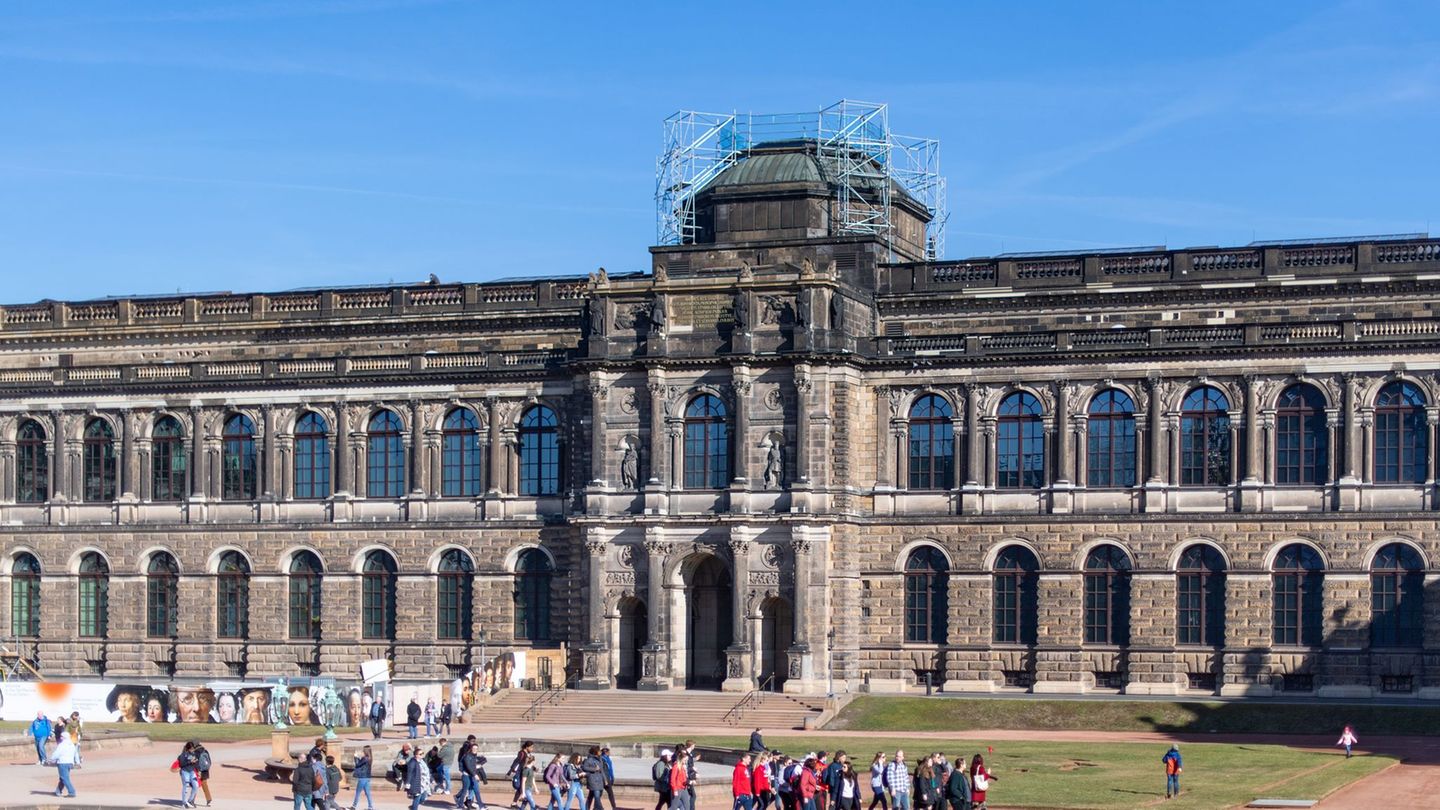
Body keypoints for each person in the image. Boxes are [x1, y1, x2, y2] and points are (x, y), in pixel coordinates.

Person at [50, 730, 79, 798]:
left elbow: (57, 754)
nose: (60, 737)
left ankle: (72, 792)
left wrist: (51, 759)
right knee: (63, 777)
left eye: (62, 736)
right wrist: (77, 762)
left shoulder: (62, 745)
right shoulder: (71, 744)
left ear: (64, 737)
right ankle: (58, 791)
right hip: (70, 763)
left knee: (64, 778)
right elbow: (76, 753)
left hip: (62, 763)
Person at [510, 741, 537, 806]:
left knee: (521, 788)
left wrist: (534, 768)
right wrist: (510, 771)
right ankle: (526, 801)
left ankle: (515, 803)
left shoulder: (527, 754)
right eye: (531, 747)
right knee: (521, 788)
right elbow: (516, 762)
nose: (532, 749)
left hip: (524, 772)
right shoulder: (522, 753)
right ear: (527, 747)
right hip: (520, 773)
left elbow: (528, 763)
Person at [351, 745, 376, 810]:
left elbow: (357, 764)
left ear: (366, 751)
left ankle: (354, 806)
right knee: (368, 793)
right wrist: (358, 758)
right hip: (367, 777)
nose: (363, 751)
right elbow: (361, 763)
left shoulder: (365, 758)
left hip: (362, 777)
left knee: (358, 792)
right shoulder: (370, 758)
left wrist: (355, 757)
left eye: (364, 750)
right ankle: (370, 807)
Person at [177, 741, 201, 809]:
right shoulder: (183, 755)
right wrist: (190, 762)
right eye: (191, 749)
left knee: (196, 786)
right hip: (185, 772)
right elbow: (182, 764)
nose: (193, 750)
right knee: (186, 787)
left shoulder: (193, 754)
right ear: (188, 748)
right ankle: (184, 803)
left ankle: (190, 801)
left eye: (193, 748)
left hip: (192, 772)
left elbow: (196, 763)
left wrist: (199, 770)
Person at [583, 746, 607, 810]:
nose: (600, 752)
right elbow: (584, 767)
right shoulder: (589, 759)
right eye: (599, 751)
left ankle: (587, 808)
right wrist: (594, 769)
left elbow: (602, 770)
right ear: (596, 752)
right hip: (593, 780)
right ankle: (600, 808)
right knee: (597, 796)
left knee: (591, 796)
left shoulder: (600, 759)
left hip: (599, 780)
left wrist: (605, 779)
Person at [405, 745, 428, 810]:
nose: (422, 755)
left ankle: (413, 807)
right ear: (416, 755)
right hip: (416, 783)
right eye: (420, 754)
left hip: (423, 782)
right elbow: (409, 773)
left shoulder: (422, 761)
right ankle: (414, 808)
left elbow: (427, 771)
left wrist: (431, 779)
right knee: (417, 797)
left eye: (422, 753)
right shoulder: (412, 762)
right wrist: (408, 783)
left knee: (423, 798)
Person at [195, 742, 215, 806]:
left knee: (194, 785)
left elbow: (196, 762)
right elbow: (209, 761)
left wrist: (198, 770)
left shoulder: (196, 752)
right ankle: (208, 798)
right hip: (205, 770)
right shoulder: (205, 751)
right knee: (205, 784)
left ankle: (191, 800)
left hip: (199, 771)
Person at [600, 746, 618, 810]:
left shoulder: (603, 758)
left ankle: (598, 807)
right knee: (610, 794)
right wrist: (612, 777)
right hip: (606, 779)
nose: (609, 753)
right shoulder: (606, 759)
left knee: (599, 795)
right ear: (606, 752)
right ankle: (614, 807)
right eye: (608, 752)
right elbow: (610, 770)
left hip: (603, 779)